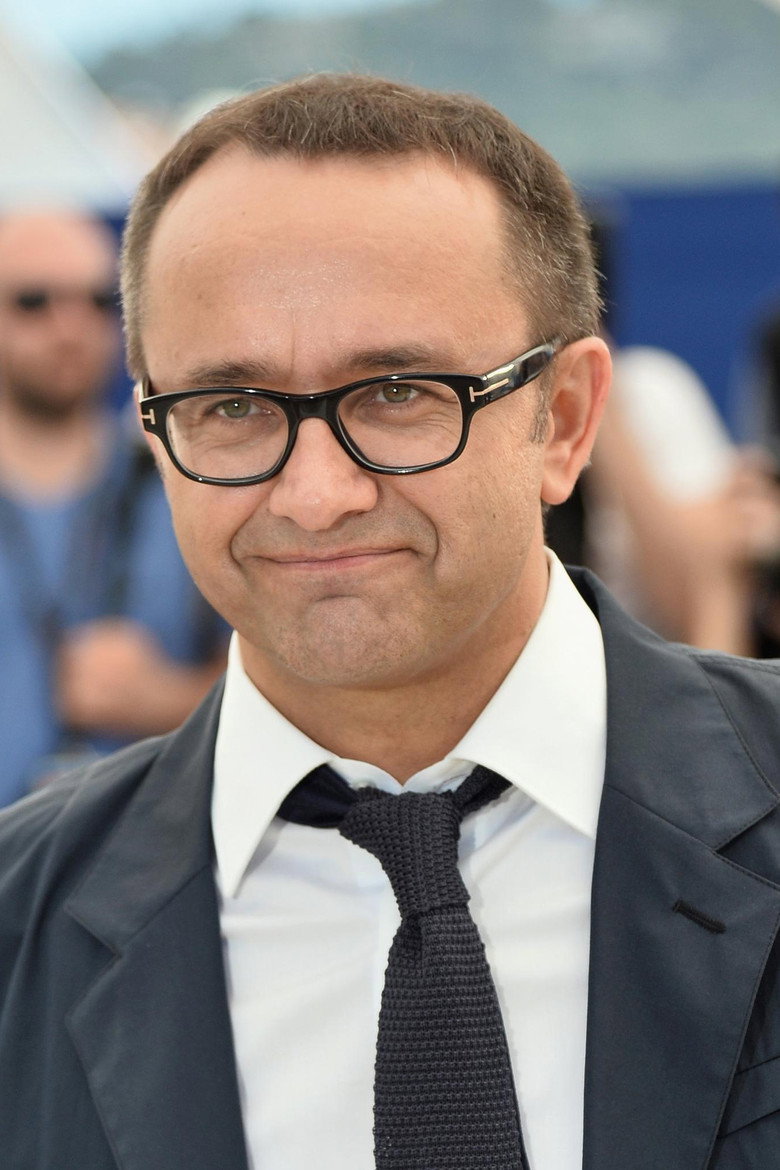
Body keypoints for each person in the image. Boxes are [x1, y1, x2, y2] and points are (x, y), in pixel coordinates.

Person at [0, 75, 779, 1170]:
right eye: (232, 407)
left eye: (399, 392)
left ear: (563, 421)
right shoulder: (20, 928)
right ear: (157, 437)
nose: (316, 494)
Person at [0, 208, 227, 805]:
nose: (70, 325)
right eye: (32, 301)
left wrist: (164, 698)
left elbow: (302, 690)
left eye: (100, 301)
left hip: (146, 845)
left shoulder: (192, 482)